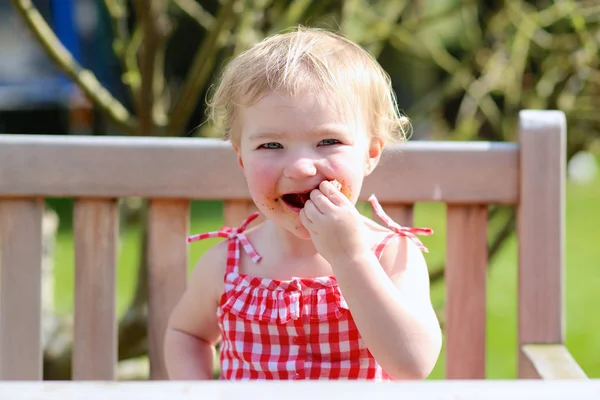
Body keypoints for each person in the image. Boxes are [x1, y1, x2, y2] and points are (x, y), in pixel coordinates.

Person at [164, 26, 442, 381]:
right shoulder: (230, 265)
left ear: (370, 154)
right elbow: (186, 334)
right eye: (271, 146)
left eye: (328, 141)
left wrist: (350, 257)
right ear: (241, 159)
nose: (300, 168)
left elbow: (413, 365)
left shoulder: (391, 256)